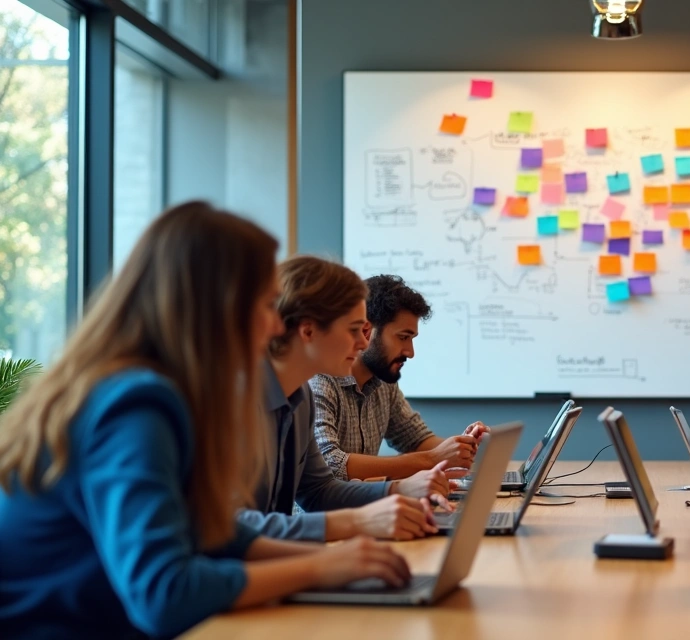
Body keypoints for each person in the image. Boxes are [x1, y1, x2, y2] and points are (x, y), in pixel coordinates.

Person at [0, 203, 409, 639]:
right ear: (217, 305)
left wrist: (336, 558)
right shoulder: (135, 405)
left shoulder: (149, 390)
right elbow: (166, 594)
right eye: (268, 304)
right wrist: (319, 567)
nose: (276, 325)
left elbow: (211, 531)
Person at [238, 257, 448, 542]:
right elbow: (231, 527)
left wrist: (396, 491)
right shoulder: (237, 401)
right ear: (308, 330)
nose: (363, 343)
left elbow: (318, 490)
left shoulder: (300, 398)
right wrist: (358, 522)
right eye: (353, 330)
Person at [310, 275, 489, 481]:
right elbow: (329, 464)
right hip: (323, 513)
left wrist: (462, 445)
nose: (410, 352)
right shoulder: (320, 380)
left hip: (367, 508)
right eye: (403, 337)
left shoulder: (383, 383)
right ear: (367, 331)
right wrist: (431, 459)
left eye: (411, 339)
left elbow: (416, 439)